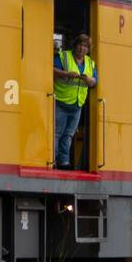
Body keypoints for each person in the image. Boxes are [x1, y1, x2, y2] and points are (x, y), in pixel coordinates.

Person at [53, 33, 98, 170]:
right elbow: (51, 70)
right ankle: (52, 161)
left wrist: (89, 80)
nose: (82, 48)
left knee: (68, 135)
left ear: (88, 49)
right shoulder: (63, 56)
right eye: (80, 45)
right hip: (61, 102)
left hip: (77, 105)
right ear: (75, 45)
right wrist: (66, 74)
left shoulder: (90, 63)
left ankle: (64, 162)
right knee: (56, 134)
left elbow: (94, 81)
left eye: (85, 46)